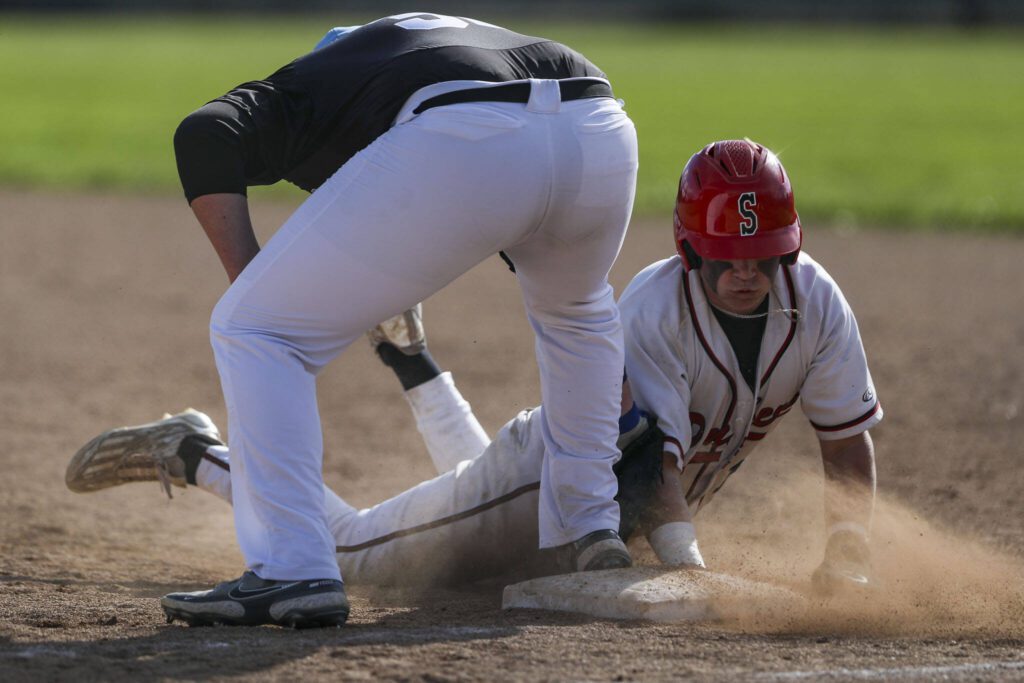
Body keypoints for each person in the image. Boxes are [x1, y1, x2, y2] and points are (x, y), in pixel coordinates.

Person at [68, 139, 880, 623]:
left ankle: (413, 361)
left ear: (789, 249)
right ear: (691, 248)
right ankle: (197, 450)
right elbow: (651, 463)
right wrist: (690, 571)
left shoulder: (817, 303)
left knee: (474, 499)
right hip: (550, 478)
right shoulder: (654, 307)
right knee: (352, 553)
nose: (747, 274)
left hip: (565, 486)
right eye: (728, 257)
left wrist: (850, 552)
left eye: (763, 255)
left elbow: (848, 440)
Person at [165, 13, 639, 626]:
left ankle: (291, 569)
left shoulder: (310, 87)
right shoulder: (418, 54)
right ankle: (592, 526)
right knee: (576, 310)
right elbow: (521, 187)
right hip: (599, 125)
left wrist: (254, 290)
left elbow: (203, 133)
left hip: (466, 133)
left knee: (256, 328)